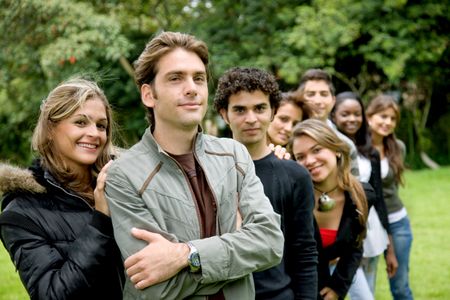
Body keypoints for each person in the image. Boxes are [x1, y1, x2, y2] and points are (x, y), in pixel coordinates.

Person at [104, 31, 284, 299]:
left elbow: (269, 244)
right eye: (176, 78)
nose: (192, 88)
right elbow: (154, 287)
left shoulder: (234, 155)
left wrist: (185, 255)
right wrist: (236, 251)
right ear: (148, 94)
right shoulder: (123, 174)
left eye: (198, 78)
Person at [0, 78, 124, 299]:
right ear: (50, 129)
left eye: (101, 125)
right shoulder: (20, 214)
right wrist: (101, 219)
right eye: (80, 122)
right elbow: (51, 294)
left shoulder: (124, 185)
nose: (95, 133)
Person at [214, 67, 318, 299]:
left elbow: (304, 252)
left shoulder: (295, 176)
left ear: (273, 112)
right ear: (224, 114)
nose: (251, 119)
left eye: (260, 108)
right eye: (240, 110)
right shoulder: (206, 170)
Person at [288, 119, 374, 300]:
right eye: (300, 157)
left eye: (317, 150)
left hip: (334, 280)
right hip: (296, 285)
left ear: (336, 150)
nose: (310, 161)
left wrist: (338, 287)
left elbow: (356, 245)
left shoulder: (362, 194)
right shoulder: (292, 197)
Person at [331, 91, 398, 299]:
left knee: (368, 289)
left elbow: (378, 199)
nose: (352, 119)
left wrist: (390, 244)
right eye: (345, 114)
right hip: (343, 232)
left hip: (372, 230)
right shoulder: (329, 149)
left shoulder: (370, 152)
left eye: (356, 114)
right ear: (333, 116)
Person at [366, 95, 413, 300]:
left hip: (397, 222)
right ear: (369, 116)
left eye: (393, 119)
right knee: (366, 288)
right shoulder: (358, 148)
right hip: (370, 224)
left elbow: (392, 188)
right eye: (383, 116)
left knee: (400, 287)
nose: (388, 123)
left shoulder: (398, 147)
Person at [297, 69, 360, 177]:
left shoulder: (345, 144)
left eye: (324, 94)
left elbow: (354, 187)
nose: (318, 101)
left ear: (333, 100)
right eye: (311, 94)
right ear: (301, 98)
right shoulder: (289, 136)